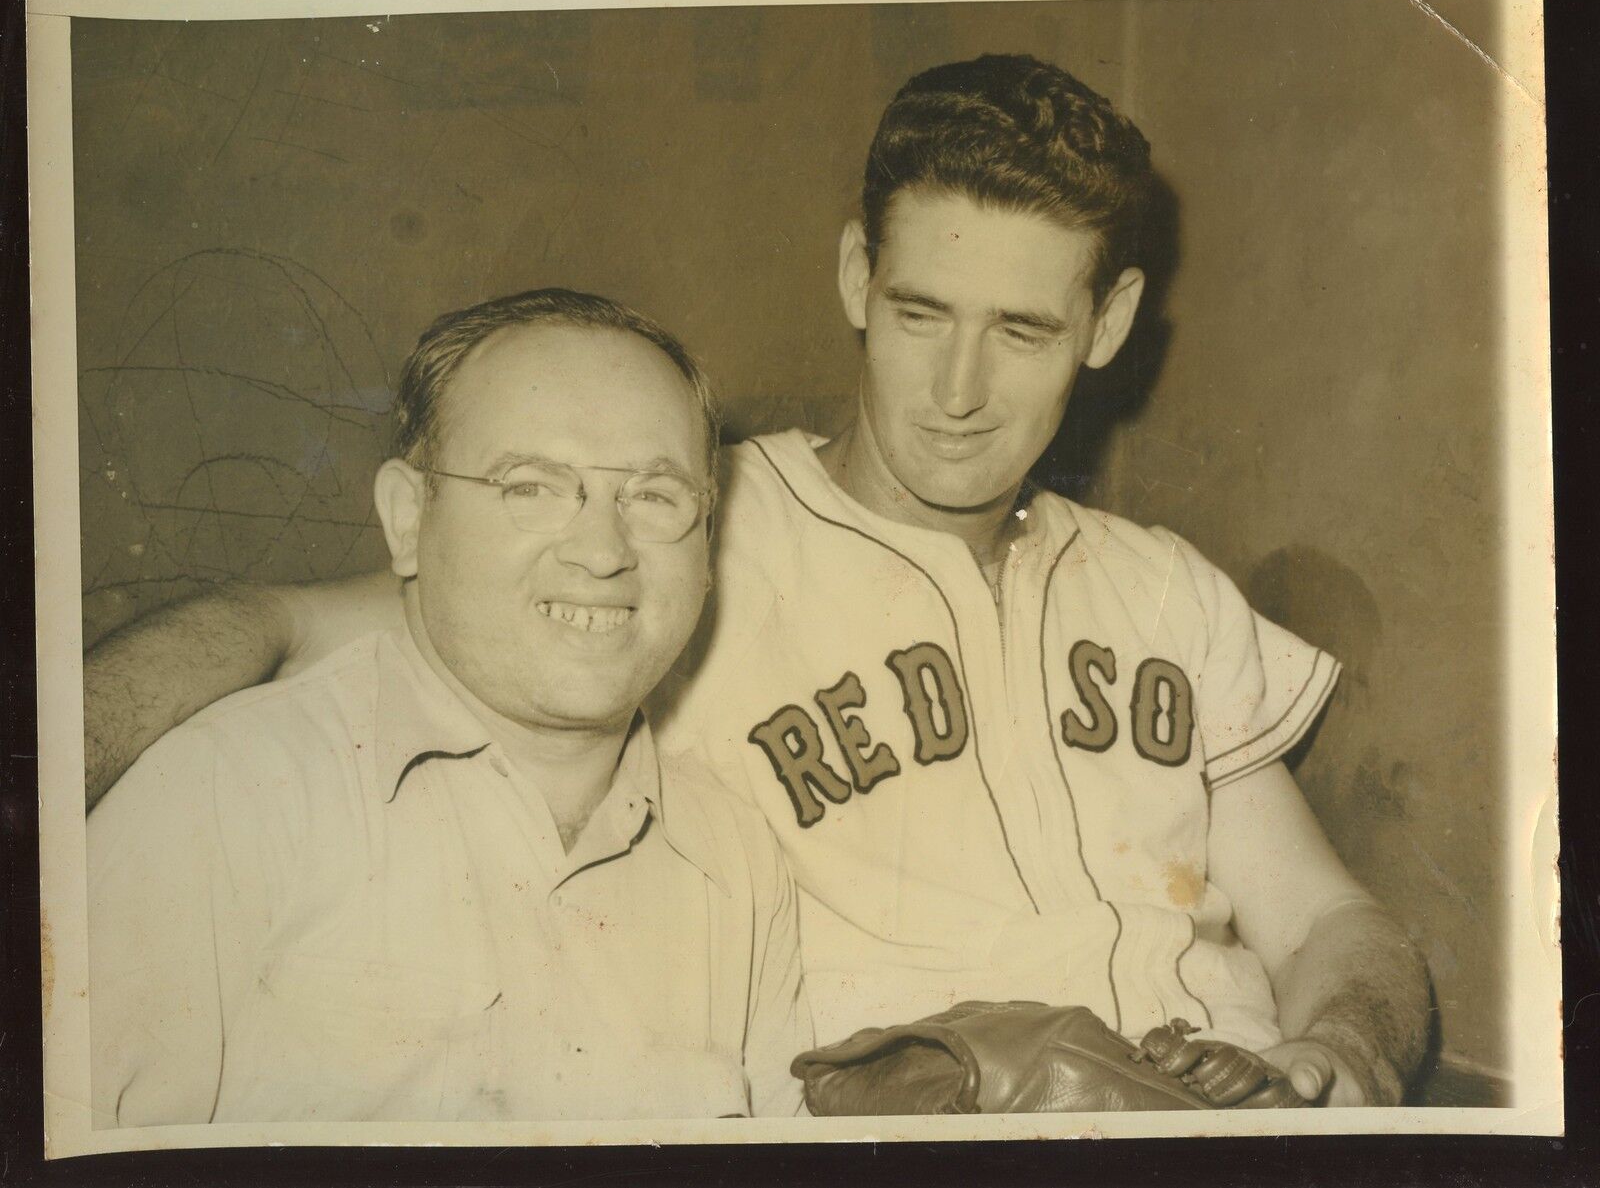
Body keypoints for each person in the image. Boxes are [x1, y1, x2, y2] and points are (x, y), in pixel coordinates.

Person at [84, 56, 1429, 1109]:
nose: (959, 396)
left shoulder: (1163, 589)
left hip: (1235, 1110)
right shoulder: (689, 531)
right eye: (920, 315)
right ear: (857, 274)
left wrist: (1345, 1052)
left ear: (1110, 324)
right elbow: (284, 629)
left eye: (1022, 331)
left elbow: (1328, 917)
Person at [87, 289, 809, 1126]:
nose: (603, 552)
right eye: (532, 486)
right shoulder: (221, 799)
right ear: (407, 518)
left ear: (709, 545)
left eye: (654, 497)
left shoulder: (739, 859)